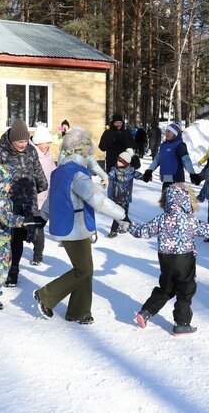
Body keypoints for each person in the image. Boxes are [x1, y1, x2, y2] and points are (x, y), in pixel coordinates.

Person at [34, 128, 128, 324]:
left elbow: (52, 197)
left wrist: (43, 216)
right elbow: (97, 200)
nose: (90, 152)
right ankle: (46, 295)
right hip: (74, 227)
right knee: (83, 270)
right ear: (82, 150)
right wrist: (122, 215)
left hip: (74, 226)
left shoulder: (60, 171)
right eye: (88, 149)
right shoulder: (77, 174)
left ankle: (79, 311)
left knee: (86, 269)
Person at [130, 183, 209, 334]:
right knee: (185, 290)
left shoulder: (162, 218)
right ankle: (182, 322)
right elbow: (206, 230)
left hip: (165, 259)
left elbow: (143, 231)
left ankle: (145, 312)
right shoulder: (189, 220)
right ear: (187, 201)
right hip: (184, 259)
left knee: (166, 288)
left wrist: (129, 226)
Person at [0, 118, 49, 288]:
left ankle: (14, 270)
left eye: (25, 141)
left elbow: (37, 168)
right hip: (8, 202)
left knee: (19, 239)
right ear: (11, 139)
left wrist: (42, 183)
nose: (23, 144)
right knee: (8, 237)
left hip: (28, 200)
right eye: (19, 141)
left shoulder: (31, 150)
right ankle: (5, 270)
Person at [0, 164, 34, 310]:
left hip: (1, 237)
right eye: (8, 182)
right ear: (0, 183)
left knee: (3, 262)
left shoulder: (1, 197)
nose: (10, 186)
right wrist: (24, 221)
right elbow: (6, 218)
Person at [142, 123, 200, 193]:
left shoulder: (180, 145)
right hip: (165, 181)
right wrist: (149, 171)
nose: (166, 133)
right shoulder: (164, 145)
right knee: (165, 203)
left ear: (175, 133)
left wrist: (192, 173)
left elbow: (186, 160)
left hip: (176, 181)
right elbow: (157, 159)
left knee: (175, 203)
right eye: (166, 131)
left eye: (169, 131)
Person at [29, 125, 55, 265]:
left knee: (39, 228)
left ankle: (38, 255)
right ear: (39, 142)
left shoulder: (48, 155)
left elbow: (52, 172)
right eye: (47, 143)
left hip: (46, 197)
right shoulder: (31, 154)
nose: (49, 145)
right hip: (34, 198)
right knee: (32, 227)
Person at [106, 148, 143, 238]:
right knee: (118, 214)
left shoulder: (131, 171)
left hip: (127, 197)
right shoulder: (114, 170)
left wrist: (145, 177)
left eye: (120, 161)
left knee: (124, 213)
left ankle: (125, 226)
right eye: (118, 160)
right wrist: (104, 180)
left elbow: (137, 175)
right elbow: (109, 176)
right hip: (117, 196)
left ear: (125, 163)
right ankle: (114, 230)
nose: (118, 162)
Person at [98, 113, 135, 177]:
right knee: (112, 183)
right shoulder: (107, 133)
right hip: (111, 162)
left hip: (124, 162)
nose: (119, 125)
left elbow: (133, 145)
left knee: (123, 184)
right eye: (116, 123)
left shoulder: (126, 133)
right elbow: (101, 147)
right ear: (113, 123)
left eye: (120, 123)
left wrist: (125, 142)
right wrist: (110, 142)